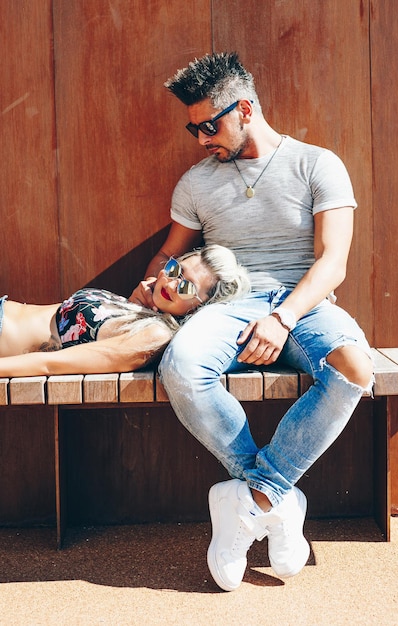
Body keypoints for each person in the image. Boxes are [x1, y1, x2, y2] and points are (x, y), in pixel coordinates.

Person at [130, 51, 374, 592]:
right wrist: (148, 290)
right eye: (192, 128)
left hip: (302, 302)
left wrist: (283, 318)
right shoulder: (196, 183)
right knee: (184, 367)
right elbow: (167, 255)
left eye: (207, 126)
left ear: (244, 109)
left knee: (354, 366)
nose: (199, 138)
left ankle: (249, 499)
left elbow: (333, 260)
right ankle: (275, 497)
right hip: (226, 305)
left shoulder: (317, 163)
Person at [0, 245, 249, 377]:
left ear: (199, 308)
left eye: (185, 287)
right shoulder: (141, 311)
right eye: (174, 271)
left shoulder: (155, 335)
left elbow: (52, 364)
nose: (171, 284)